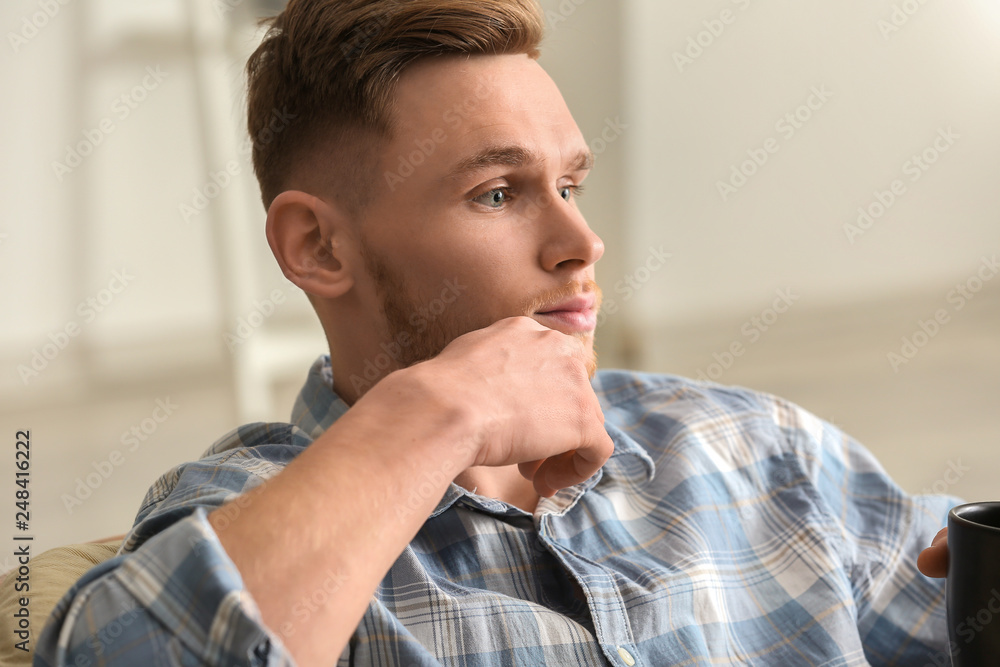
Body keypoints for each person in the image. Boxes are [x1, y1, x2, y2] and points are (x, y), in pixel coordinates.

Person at [36, 0, 957, 664]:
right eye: (499, 194)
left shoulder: (753, 447)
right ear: (317, 246)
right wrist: (445, 410)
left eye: (571, 185)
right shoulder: (244, 512)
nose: (581, 243)